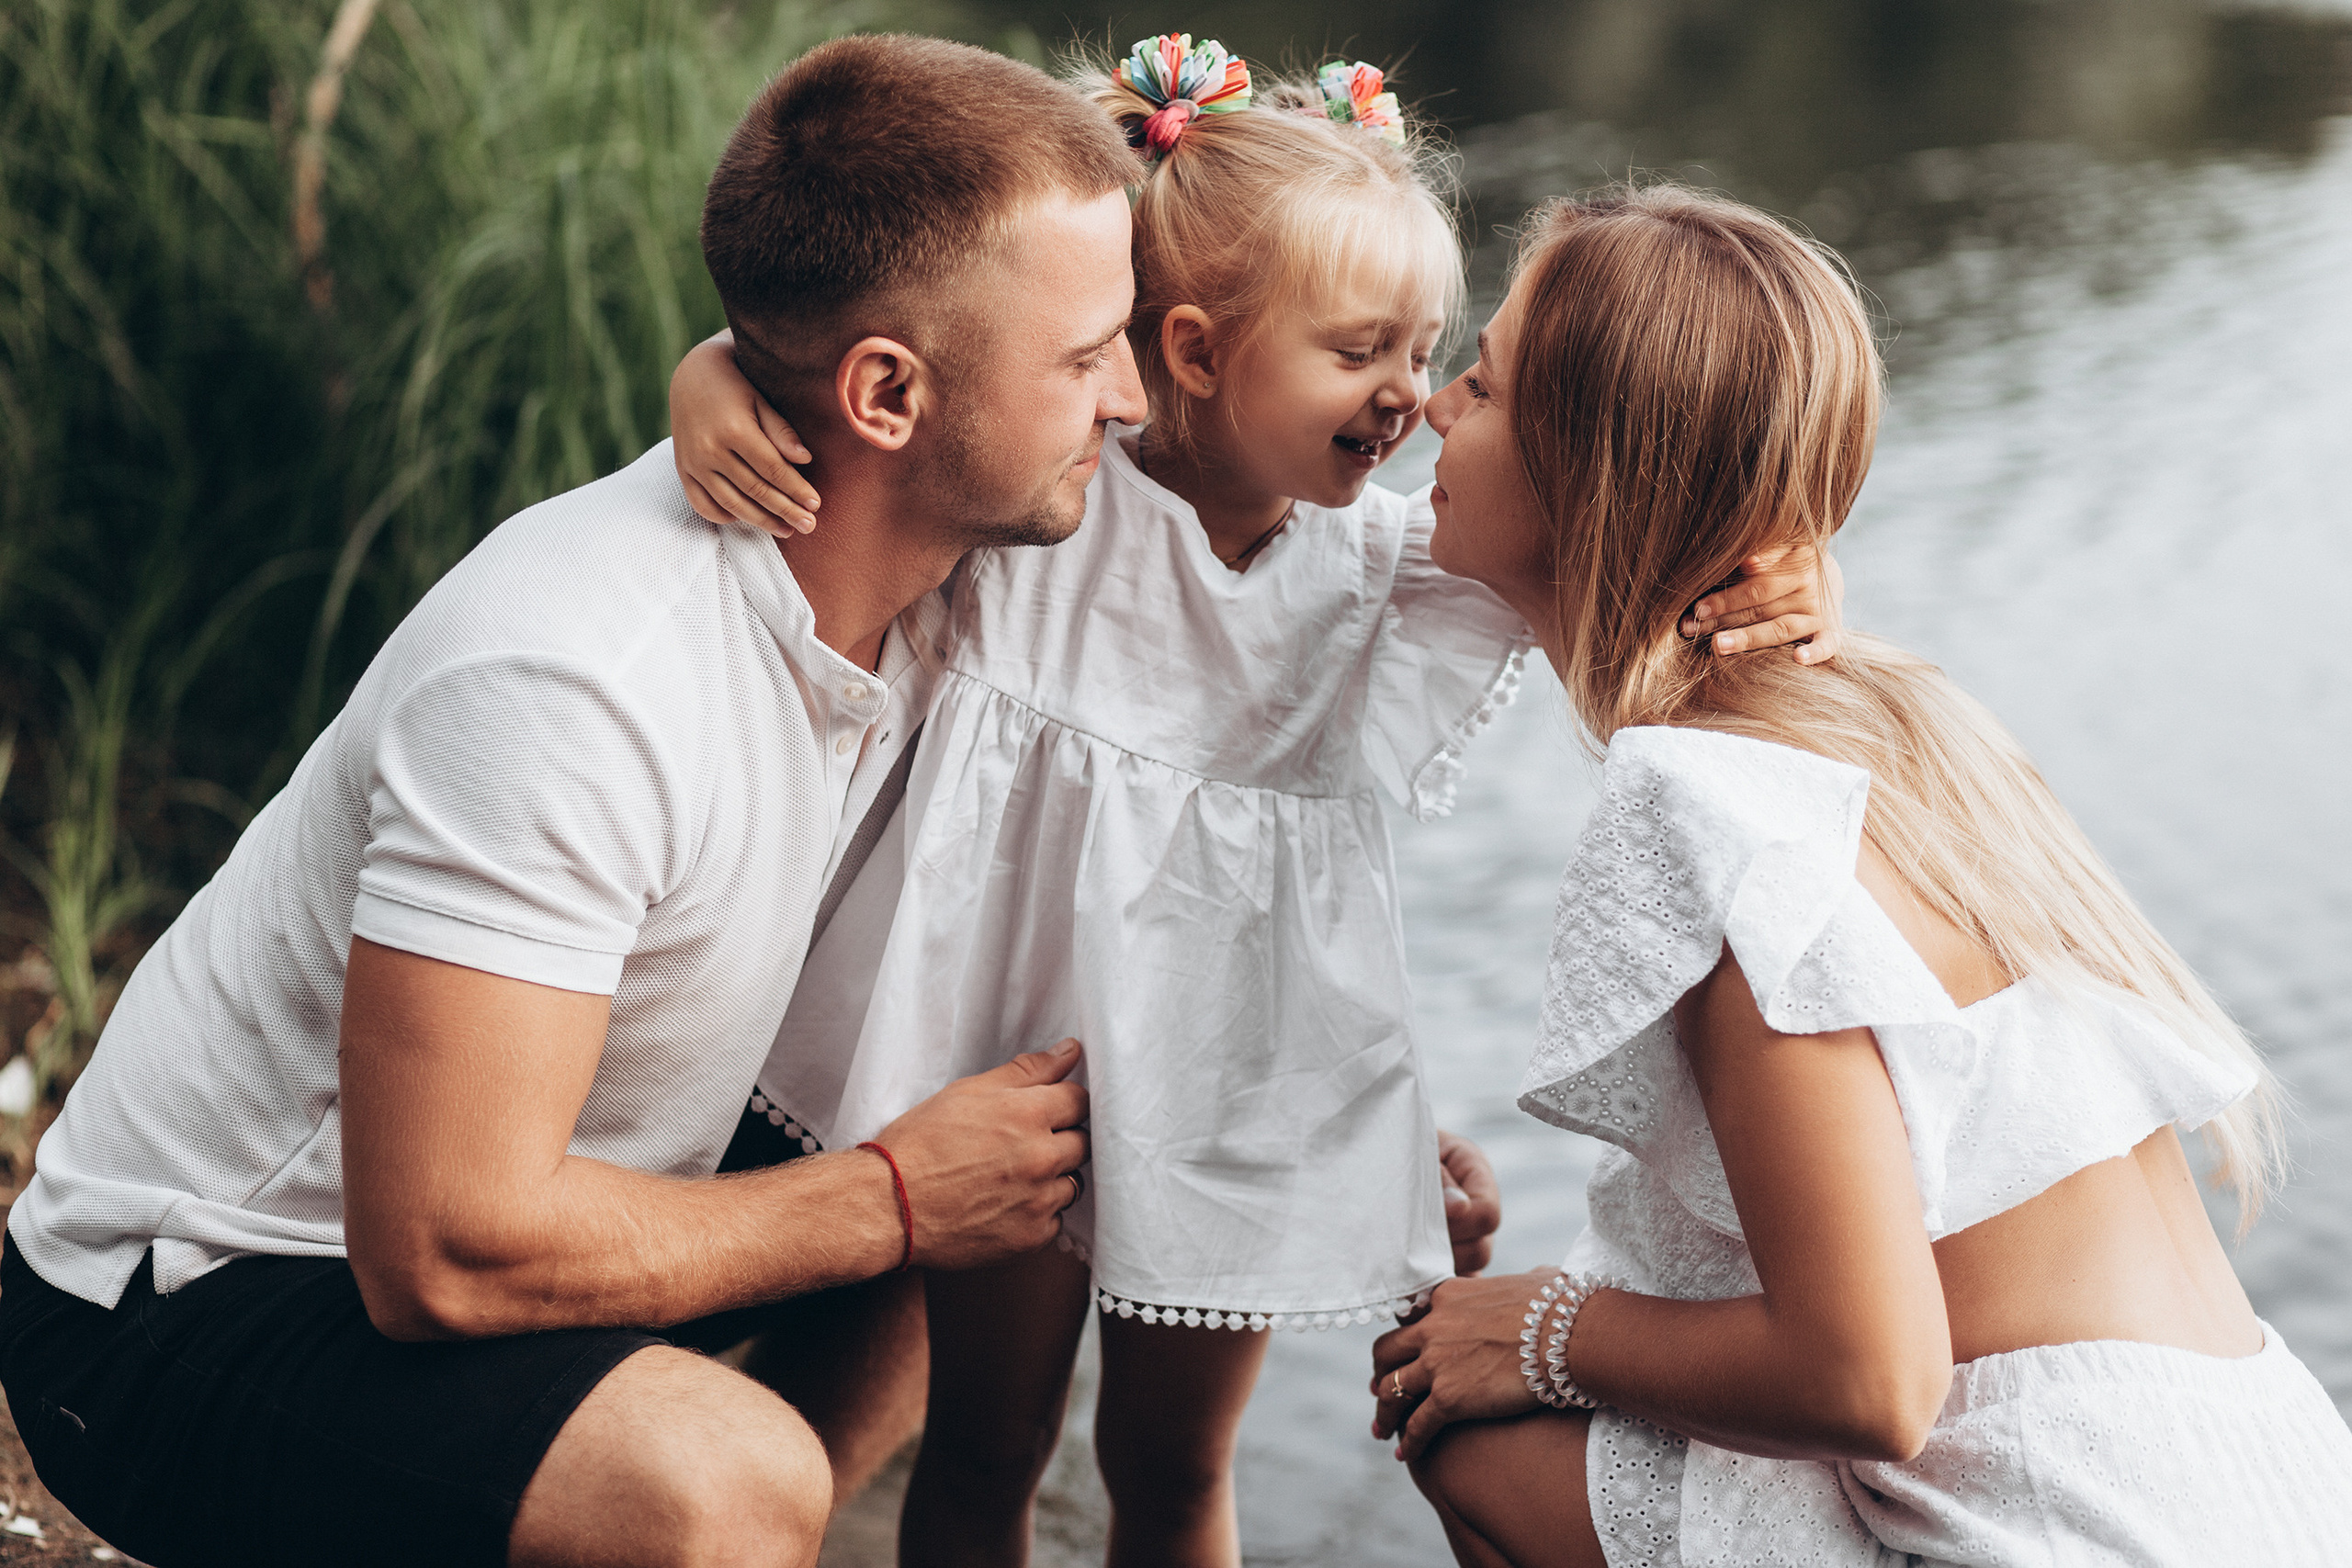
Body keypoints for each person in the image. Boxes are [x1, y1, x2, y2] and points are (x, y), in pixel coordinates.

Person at [667, 45, 1837, 1568]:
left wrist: (1790, 564)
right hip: (1009, 1062)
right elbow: (874, 356)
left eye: (1426, 351)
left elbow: (1631, 556)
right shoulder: (1051, 501)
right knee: (985, 1442)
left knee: (1172, 1465)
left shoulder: (1394, 576)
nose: (1411, 397)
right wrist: (712, 374)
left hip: (1233, 1091)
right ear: (1200, 352)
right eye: (1359, 351)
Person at [0, 35, 1148, 1568]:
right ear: (884, 392)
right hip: (200, 1298)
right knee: (724, 1473)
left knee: (1005, 1122)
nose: (1134, 398)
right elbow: (442, 1251)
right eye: (1090, 357)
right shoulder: (577, 677)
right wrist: (886, 1197)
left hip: (550, 1204)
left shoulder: (974, 563)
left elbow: (1275, 438)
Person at [1364, 183, 2352, 1566]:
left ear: (1593, 472)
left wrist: (1543, 1331)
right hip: (2269, 1478)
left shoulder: (1708, 804)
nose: (1434, 412)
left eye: (1484, 384)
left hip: (2080, 1526)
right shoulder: (1889, 719)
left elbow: (1873, 1384)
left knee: (1467, 1422)